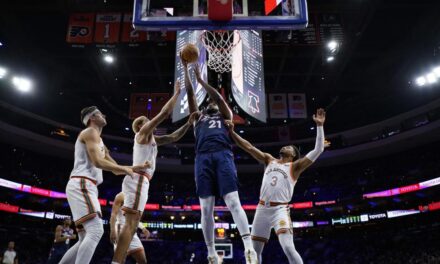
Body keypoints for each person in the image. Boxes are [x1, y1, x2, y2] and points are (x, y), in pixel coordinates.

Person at [224, 108, 327, 264]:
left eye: (290, 147)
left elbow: (318, 149)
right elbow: (249, 147)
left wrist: (319, 126)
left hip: (280, 209)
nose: (286, 146)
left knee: (288, 247)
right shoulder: (269, 159)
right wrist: (232, 132)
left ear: (293, 154)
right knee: (254, 251)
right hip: (262, 209)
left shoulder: (296, 166)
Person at [112, 81, 198, 264]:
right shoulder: (141, 134)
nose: (149, 123)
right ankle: (116, 262)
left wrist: (189, 124)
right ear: (141, 126)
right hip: (138, 179)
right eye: (145, 121)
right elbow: (164, 113)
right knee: (130, 223)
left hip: (142, 181)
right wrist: (176, 94)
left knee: (133, 223)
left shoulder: (153, 140)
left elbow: (173, 137)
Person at [182, 59, 258, 264]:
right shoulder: (197, 117)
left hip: (223, 154)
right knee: (206, 207)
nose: (211, 103)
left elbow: (218, 98)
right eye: (209, 103)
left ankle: (249, 247)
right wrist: (185, 69)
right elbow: (190, 94)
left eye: (213, 102)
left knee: (233, 201)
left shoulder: (226, 115)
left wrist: (202, 81)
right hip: (203, 157)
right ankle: (211, 252)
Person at [59, 106, 150, 264]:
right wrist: (125, 169)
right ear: (92, 118)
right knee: (95, 230)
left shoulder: (100, 141)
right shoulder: (90, 132)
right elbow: (98, 162)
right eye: (101, 113)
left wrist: (134, 168)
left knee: (83, 239)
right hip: (82, 183)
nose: (104, 115)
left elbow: (115, 169)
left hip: (86, 186)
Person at [110, 192, 150, 264]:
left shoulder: (138, 198)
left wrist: (143, 228)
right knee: (120, 261)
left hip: (132, 231)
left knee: (143, 261)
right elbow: (113, 215)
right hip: (120, 229)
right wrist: (112, 231)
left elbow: (135, 219)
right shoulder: (121, 196)